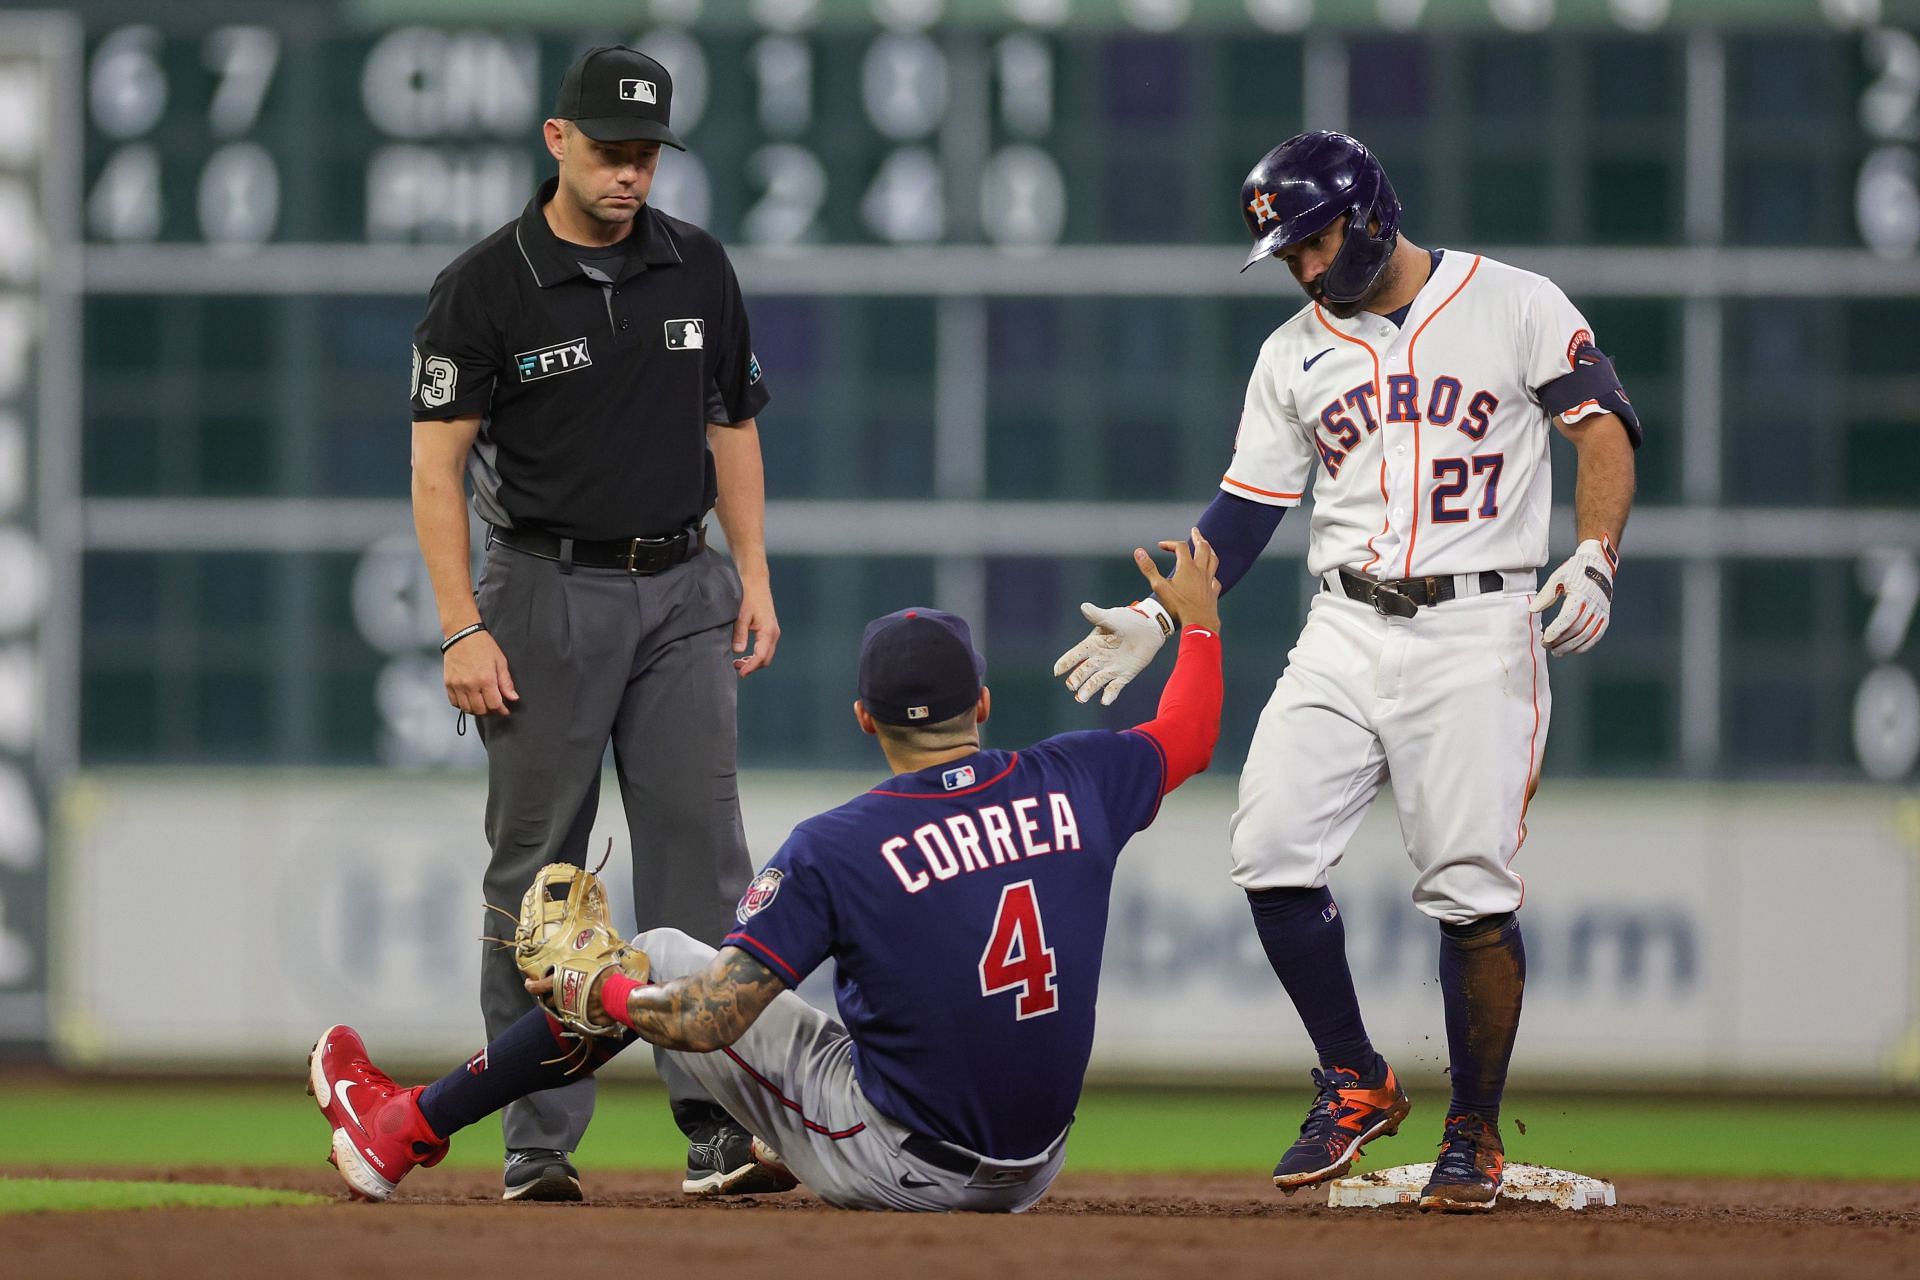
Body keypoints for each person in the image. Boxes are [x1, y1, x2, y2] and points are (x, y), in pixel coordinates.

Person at [1052, 132, 1640, 1212]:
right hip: (1344, 623)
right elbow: (1245, 511)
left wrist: (1597, 554)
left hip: (1479, 623)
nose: (1307, 267)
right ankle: (1356, 1077)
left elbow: (1602, 429)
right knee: (1268, 843)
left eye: (1314, 240)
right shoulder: (1291, 354)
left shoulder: (1512, 301)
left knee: (1467, 885)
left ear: (1371, 210)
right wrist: (1156, 608)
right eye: (1289, 253)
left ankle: (1474, 1128)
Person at [309, 536, 1224, 1211]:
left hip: (907, 1165)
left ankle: (404, 1129)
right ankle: (759, 1136)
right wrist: (1199, 625)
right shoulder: (1077, 776)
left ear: (865, 720)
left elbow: (707, 1020)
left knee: (663, 954)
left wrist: (609, 992)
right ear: (981, 703)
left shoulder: (842, 844)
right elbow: (1190, 732)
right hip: (1039, 1162)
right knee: (860, 1023)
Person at [408, 44, 779, 1201]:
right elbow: (435, 470)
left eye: (647, 155)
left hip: (683, 586)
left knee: (702, 863)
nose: (632, 175)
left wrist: (754, 573)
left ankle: (716, 1126)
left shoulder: (697, 267)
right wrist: (461, 625)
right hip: (542, 590)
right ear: (557, 140)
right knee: (540, 873)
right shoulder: (485, 285)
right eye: (612, 152)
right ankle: (537, 1143)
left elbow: (732, 430)